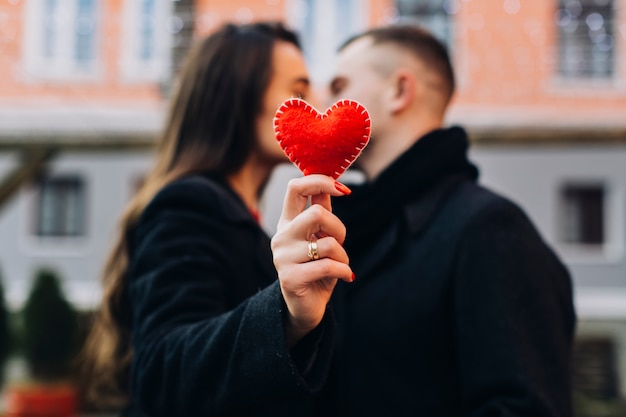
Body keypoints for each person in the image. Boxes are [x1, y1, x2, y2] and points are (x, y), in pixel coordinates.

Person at [79, 21, 353, 416]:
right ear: (237, 97)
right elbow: (160, 372)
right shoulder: (187, 206)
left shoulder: (240, 216)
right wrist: (286, 312)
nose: (314, 109)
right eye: (297, 92)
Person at [316, 23, 577, 416]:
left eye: (339, 87)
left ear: (399, 91)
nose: (325, 107)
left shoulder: (489, 229)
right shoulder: (355, 228)